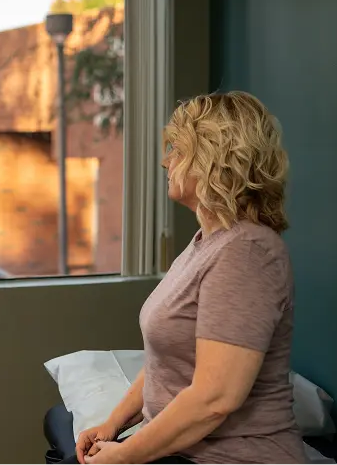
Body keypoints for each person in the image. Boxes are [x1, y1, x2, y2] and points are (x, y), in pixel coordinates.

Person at [64, 91, 307, 465]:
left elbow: (214, 398)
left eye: (177, 148)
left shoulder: (248, 252)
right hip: (182, 449)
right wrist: (113, 424)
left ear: (215, 157)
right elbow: (168, 360)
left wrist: (124, 456)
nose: (166, 161)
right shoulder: (206, 243)